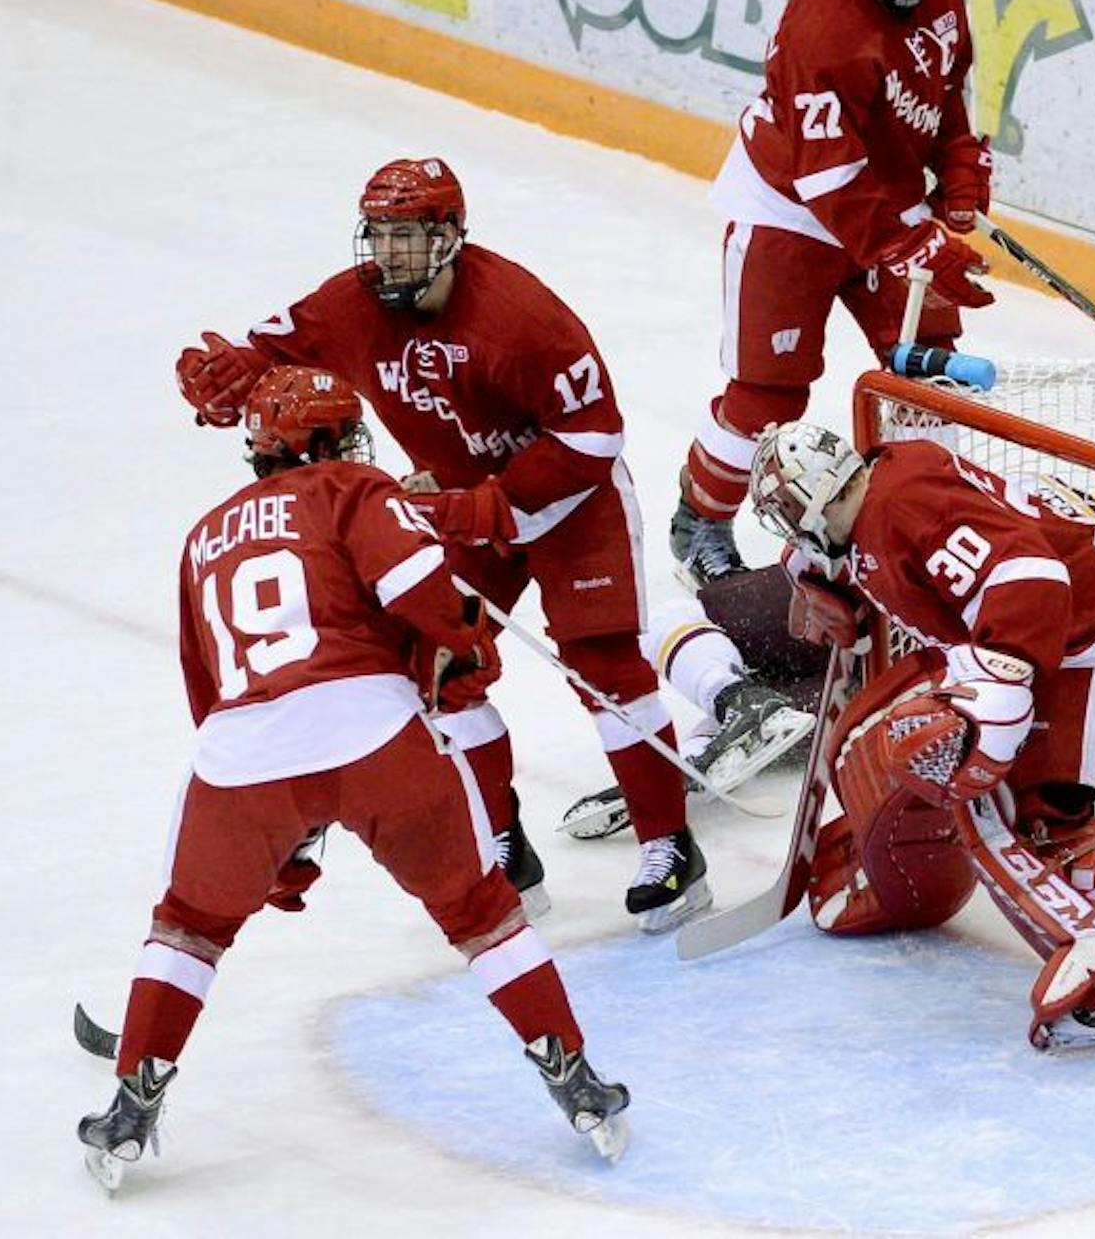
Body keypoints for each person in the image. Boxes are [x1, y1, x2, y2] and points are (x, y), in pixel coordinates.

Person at [77, 368, 627, 1191]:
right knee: (481, 913)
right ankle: (572, 1074)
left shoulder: (202, 536)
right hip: (376, 732)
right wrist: (466, 638)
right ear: (327, 441)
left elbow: (213, 692)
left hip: (242, 756)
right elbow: (418, 590)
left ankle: (131, 1101)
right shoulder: (350, 485)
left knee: (188, 923)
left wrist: (280, 834)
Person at [172, 158, 708, 931]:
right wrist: (233, 379)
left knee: (605, 668)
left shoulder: (521, 316)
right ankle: (503, 845)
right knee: (441, 670)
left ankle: (670, 846)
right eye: (379, 234)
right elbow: (272, 351)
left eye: (406, 236)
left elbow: (595, 433)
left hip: (565, 501)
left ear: (451, 235)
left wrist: (491, 504)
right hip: (452, 505)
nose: (387, 253)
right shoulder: (351, 305)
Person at [749, 422, 1095, 1049]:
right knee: (977, 784)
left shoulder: (902, 507)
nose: (790, 529)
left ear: (813, 498)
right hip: (1053, 640)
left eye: (789, 514)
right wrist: (817, 575)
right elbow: (904, 551)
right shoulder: (880, 488)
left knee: (1048, 817)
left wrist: (1000, 691)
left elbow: (1031, 579)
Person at [668, 0, 995, 590]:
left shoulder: (943, 5)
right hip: (791, 210)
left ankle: (913, 525)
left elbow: (945, 108)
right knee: (768, 396)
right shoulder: (821, 27)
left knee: (926, 373)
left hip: (883, 209)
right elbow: (829, 180)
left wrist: (962, 165)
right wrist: (916, 242)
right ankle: (701, 521)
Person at [558, 567, 822, 841]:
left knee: (668, 621)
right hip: (843, 629)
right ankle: (726, 719)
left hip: (847, 620)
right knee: (798, 711)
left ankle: (702, 747)